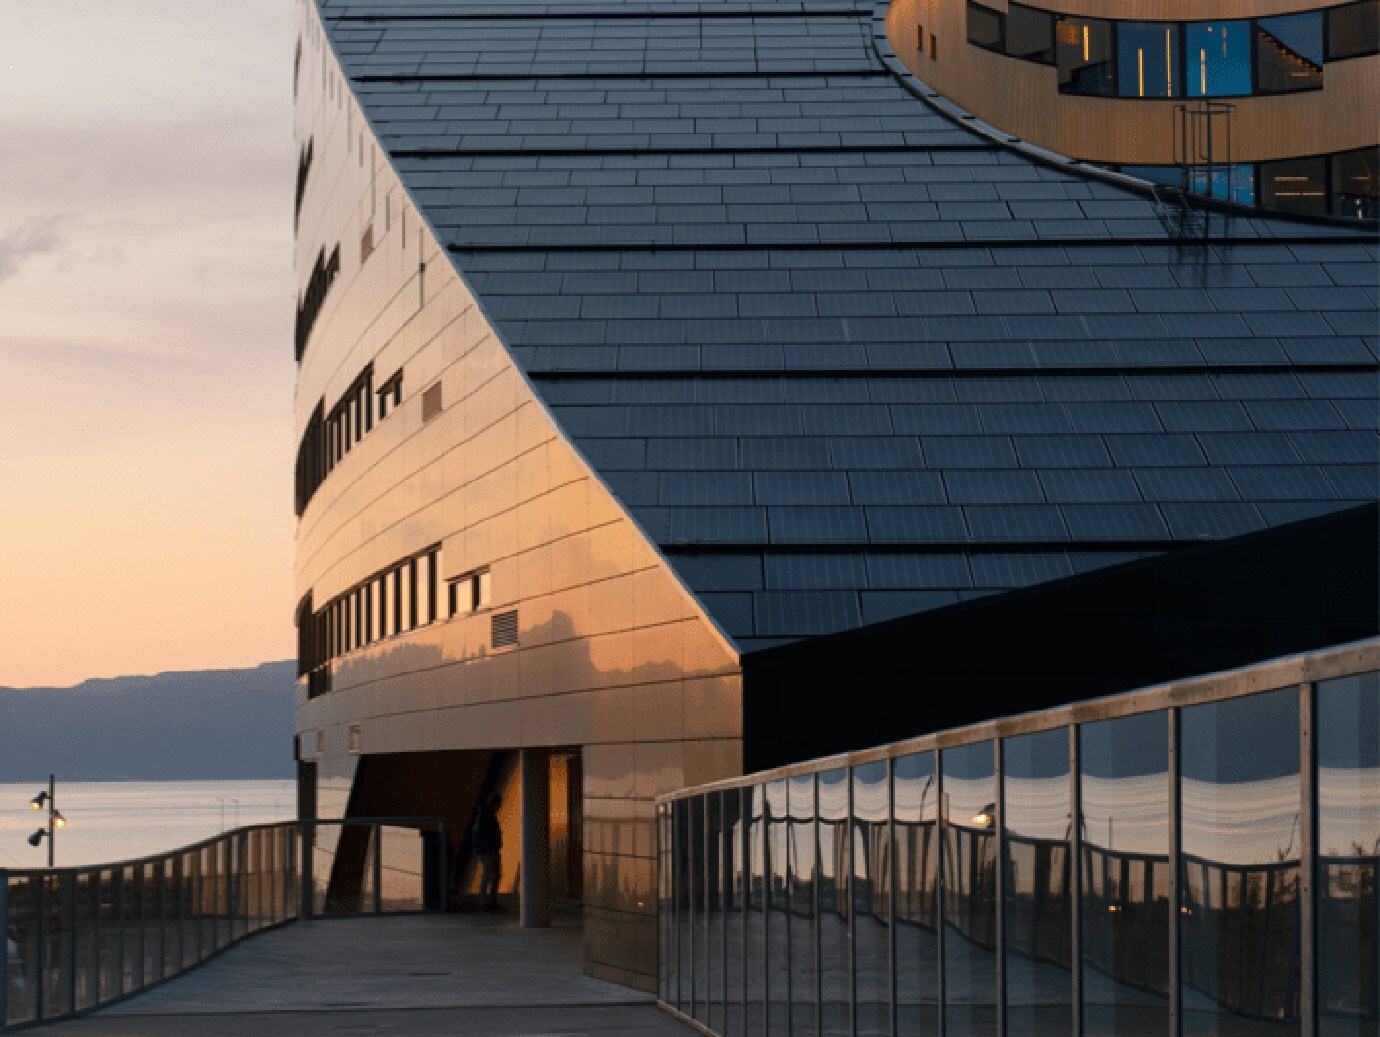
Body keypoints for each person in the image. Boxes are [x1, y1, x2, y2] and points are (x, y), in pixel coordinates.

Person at [472, 793, 503, 911]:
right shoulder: (486, 816)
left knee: (492, 875)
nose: (500, 806)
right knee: (489, 875)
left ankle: (489, 901)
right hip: (489, 851)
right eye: (499, 804)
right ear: (495, 804)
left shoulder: (485, 815)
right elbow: (483, 835)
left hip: (490, 850)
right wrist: (489, 848)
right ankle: (485, 902)